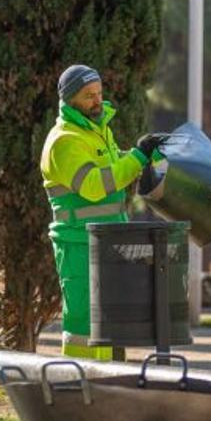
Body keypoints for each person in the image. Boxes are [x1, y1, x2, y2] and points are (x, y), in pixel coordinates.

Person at [39, 65, 164, 359]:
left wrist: (141, 157)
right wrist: (137, 158)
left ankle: (103, 388)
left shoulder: (96, 132)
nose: (97, 101)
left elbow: (111, 166)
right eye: (88, 96)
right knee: (83, 326)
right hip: (79, 245)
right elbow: (95, 185)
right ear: (69, 100)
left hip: (106, 240)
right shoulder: (64, 141)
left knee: (106, 324)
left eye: (99, 93)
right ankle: (76, 387)